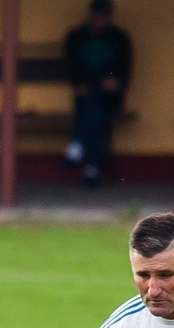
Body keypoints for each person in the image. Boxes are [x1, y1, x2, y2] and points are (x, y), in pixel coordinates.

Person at [63, 0, 132, 188]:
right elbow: (72, 67)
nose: (100, 19)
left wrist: (115, 82)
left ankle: (75, 149)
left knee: (95, 108)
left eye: (104, 15)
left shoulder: (119, 38)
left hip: (110, 97)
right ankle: (91, 172)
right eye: (98, 15)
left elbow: (124, 70)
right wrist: (82, 83)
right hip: (85, 95)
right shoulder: (76, 37)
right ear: (91, 15)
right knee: (94, 111)